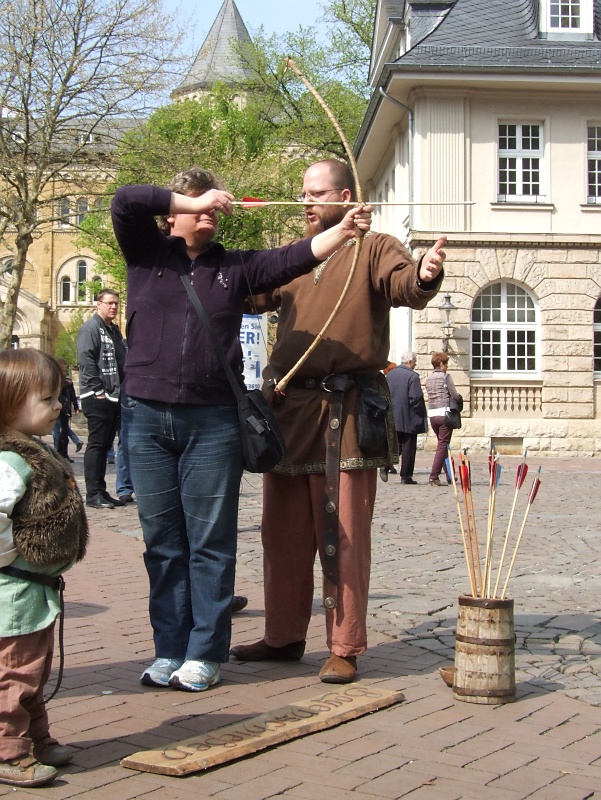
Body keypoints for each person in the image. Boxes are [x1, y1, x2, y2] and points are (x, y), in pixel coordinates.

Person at [111, 167, 372, 693]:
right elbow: (124, 200)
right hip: (145, 418)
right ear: (172, 214)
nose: (205, 211)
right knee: (163, 543)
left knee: (210, 542)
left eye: (211, 204)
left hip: (212, 423)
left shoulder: (236, 268)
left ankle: (205, 652)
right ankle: (169, 649)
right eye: (192, 205)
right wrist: (192, 197)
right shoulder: (146, 254)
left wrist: (344, 229)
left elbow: (293, 257)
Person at [230, 159, 446, 683]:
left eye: (316, 192)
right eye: (302, 192)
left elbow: (404, 285)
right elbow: (246, 290)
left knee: (343, 532)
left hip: (345, 411)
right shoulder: (296, 254)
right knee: (280, 533)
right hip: (289, 409)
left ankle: (344, 644)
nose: (305, 201)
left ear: (345, 195)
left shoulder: (373, 245)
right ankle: (282, 635)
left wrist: (424, 272)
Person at [0, 349, 88, 788]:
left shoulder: (31, 451)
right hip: (14, 591)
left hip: (35, 589)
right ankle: (9, 750)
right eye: (48, 399)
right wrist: (8, 559)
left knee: (34, 670)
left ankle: (36, 739)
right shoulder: (10, 462)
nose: (58, 406)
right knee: (14, 673)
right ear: (9, 403)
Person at [77, 289, 126, 509]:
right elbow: (86, 359)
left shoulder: (113, 330)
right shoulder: (91, 328)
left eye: (116, 303)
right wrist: (98, 390)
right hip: (97, 396)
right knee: (97, 445)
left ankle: (101, 491)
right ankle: (93, 494)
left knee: (106, 445)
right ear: (99, 304)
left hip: (114, 395)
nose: (113, 307)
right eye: (109, 303)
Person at [385, 352, 428, 484]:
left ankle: (386, 464)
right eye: (414, 362)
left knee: (396, 445)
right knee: (409, 447)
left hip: (392, 414)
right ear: (410, 362)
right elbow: (415, 398)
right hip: (408, 416)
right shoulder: (412, 376)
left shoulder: (390, 375)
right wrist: (421, 413)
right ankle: (406, 476)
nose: (415, 364)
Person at [424, 351, 461, 486]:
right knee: (442, 446)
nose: (446, 366)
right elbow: (455, 395)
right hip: (444, 414)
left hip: (433, 415)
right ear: (441, 364)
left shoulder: (428, 379)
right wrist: (459, 400)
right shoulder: (446, 377)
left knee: (443, 445)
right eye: (446, 363)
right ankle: (433, 476)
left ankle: (450, 475)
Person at [52, 360, 83, 462]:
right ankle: (59, 453)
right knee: (58, 432)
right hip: (58, 408)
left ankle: (63, 454)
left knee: (63, 432)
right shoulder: (55, 380)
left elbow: (72, 395)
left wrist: (75, 406)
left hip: (64, 409)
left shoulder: (66, 381)